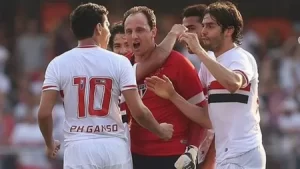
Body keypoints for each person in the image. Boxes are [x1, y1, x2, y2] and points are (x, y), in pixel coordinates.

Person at [37, 3, 174, 169]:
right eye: (108, 25)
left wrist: (50, 143)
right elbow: (138, 111)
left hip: (78, 149)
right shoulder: (120, 62)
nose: (109, 31)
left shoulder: (57, 64)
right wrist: (160, 130)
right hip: (114, 148)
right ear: (99, 28)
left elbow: (44, 113)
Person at [145, 1, 266, 169]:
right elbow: (207, 119)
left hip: (244, 153)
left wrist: (200, 51)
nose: (203, 32)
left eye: (210, 26)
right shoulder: (207, 66)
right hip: (224, 155)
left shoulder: (240, 57)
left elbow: (233, 83)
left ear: (229, 30)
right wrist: (172, 95)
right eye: (203, 26)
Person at [122, 6, 207, 169]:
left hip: (172, 155)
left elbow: (201, 113)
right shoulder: (122, 65)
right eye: (129, 31)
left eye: (140, 30)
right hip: (134, 156)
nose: (134, 36)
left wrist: (192, 149)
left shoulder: (179, 63)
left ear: (153, 32)